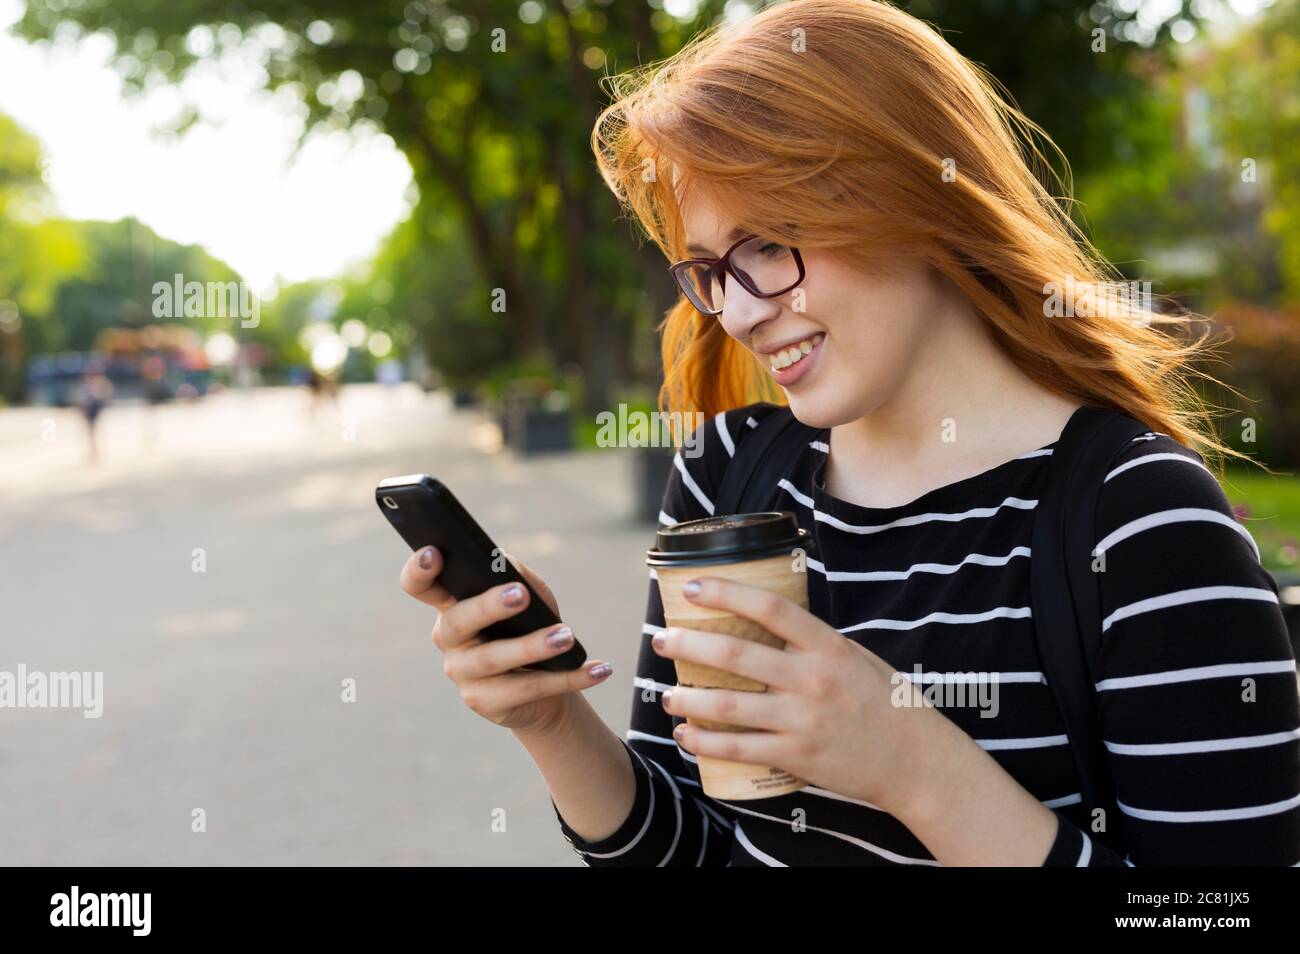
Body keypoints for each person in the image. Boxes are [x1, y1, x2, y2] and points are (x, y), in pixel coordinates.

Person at [397, 0, 1299, 865]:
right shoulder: (729, 476)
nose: (740, 313)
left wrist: (917, 770)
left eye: (768, 244)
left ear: (919, 193)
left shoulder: (1135, 521)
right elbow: (696, 849)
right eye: (712, 268)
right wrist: (550, 721)